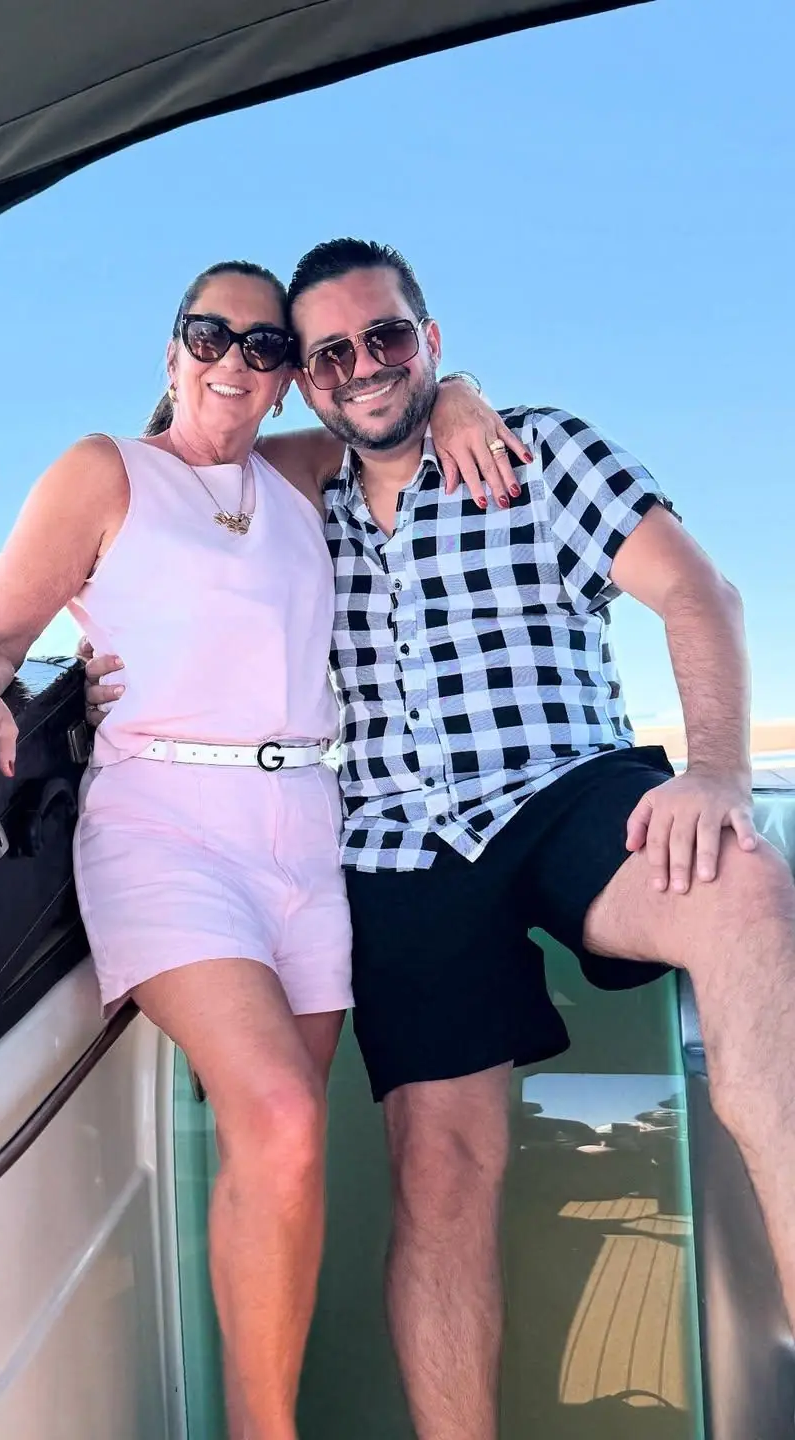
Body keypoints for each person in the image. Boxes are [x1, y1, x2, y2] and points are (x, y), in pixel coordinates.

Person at [85, 239, 795, 1440]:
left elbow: (697, 593)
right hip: (396, 847)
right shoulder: (289, 502)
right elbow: (174, 502)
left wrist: (718, 770)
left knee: (744, 889)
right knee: (439, 1169)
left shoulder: (538, 447)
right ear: (303, 380)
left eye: (389, 337)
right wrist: (97, 665)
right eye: (330, 353)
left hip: (565, 790)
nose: (363, 366)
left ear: (432, 339)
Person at [0, 257, 515, 1440]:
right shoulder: (106, 471)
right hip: (164, 825)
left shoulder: (298, 469)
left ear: (286, 381)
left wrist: (467, 391)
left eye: (266, 347)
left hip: (309, 834)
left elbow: (403, 403)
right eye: (210, 334)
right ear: (172, 350)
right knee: (280, 1114)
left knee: (284, 1151)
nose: (236, 360)